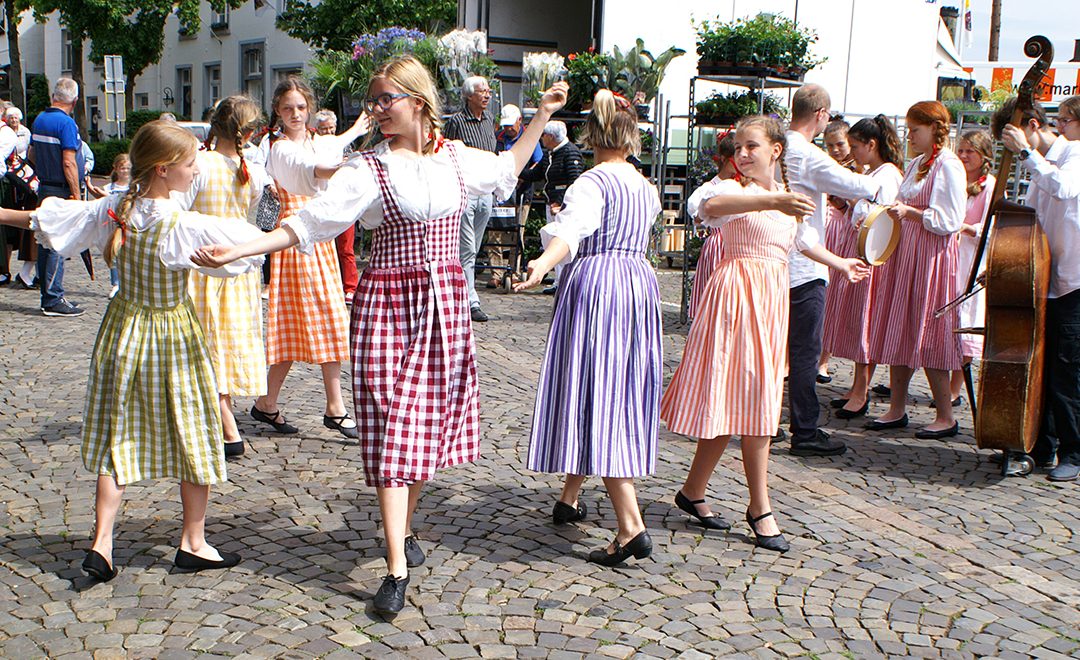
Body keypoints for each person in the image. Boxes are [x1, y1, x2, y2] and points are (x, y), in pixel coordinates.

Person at [192, 57, 568, 613]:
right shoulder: (368, 168)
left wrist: (541, 115)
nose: (375, 109)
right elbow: (311, 221)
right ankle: (395, 567)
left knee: (421, 434)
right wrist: (246, 247)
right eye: (372, 100)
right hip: (388, 307)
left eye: (384, 98)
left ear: (417, 100)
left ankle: (402, 527)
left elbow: (509, 165)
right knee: (394, 428)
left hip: (443, 311)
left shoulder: (458, 160)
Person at [0, 120, 266, 580]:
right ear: (163, 170)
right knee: (196, 427)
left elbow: (49, 218)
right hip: (172, 333)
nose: (194, 169)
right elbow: (248, 244)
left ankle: (102, 544)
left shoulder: (114, 209)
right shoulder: (182, 225)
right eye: (188, 164)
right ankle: (194, 542)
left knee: (115, 427)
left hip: (122, 330)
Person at [660, 115, 870, 553]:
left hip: (770, 299)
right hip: (734, 297)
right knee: (748, 399)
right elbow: (708, 210)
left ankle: (693, 490)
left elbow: (802, 241)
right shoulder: (734, 192)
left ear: (776, 150)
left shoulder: (789, 199)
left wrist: (840, 264)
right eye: (738, 147)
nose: (741, 154)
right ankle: (760, 507)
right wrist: (770, 201)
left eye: (751, 146)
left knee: (749, 398)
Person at [515, 89, 661, 566]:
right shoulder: (645, 187)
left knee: (598, 392)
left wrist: (540, 263)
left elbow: (570, 232)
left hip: (598, 286)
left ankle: (630, 525)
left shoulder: (591, 183)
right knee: (609, 385)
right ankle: (570, 496)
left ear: (592, 134)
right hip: (638, 286)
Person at [256, 77, 357, 441]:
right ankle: (334, 407)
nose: (295, 114)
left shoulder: (316, 141)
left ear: (309, 108)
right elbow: (309, 171)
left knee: (315, 320)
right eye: (288, 108)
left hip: (319, 236)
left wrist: (358, 133)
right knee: (316, 318)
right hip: (295, 236)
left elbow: (332, 146)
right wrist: (344, 169)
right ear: (278, 112)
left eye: (300, 107)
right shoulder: (280, 148)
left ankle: (272, 402)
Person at [782, 84, 880, 456]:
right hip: (806, 264)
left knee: (775, 349)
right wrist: (886, 173)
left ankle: (759, 421)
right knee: (806, 353)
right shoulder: (807, 153)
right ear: (821, 114)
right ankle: (804, 430)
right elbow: (857, 184)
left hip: (775, 258)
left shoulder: (776, 147)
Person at [175, 95, 270, 459]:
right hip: (239, 267)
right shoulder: (252, 170)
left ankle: (225, 422)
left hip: (204, 266)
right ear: (247, 131)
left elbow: (181, 211)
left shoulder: (200, 164)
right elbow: (251, 215)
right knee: (225, 342)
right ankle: (218, 413)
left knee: (204, 341)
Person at [864, 101, 966, 438]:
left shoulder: (948, 165)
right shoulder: (919, 163)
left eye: (916, 130)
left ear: (933, 129)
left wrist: (912, 213)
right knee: (902, 326)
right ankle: (896, 407)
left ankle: (945, 415)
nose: (910, 136)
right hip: (908, 254)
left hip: (931, 259)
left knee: (930, 330)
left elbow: (949, 220)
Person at [995, 97, 1080, 481]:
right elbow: (1032, 219)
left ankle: (1074, 453)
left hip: (1073, 282)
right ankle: (1040, 447)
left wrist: (1027, 153)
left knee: (1067, 371)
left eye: (1065, 120)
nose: (1061, 126)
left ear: (1030, 125)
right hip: (1045, 278)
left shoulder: (1074, 154)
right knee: (1042, 369)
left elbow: (1063, 188)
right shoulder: (1042, 164)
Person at [821, 116, 904, 419]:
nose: (852, 153)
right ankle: (857, 386)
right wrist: (846, 205)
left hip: (873, 257)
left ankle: (861, 390)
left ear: (872, 145)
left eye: (855, 146)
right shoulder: (874, 172)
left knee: (865, 322)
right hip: (861, 252)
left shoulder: (888, 175)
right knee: (857, 321)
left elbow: (882, 218)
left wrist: (856, 203)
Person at [28, 77, 85, 317]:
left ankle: (48, 293)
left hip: (45, 187)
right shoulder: (66, 124)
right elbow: (69, 162)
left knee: (44, 240)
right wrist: (76, 194)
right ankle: (53, 299)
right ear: (74, 100)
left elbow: (31, 154)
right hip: (60, 190)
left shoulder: (40, 119)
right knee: (56, 243)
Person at [443, 75, 497, 322]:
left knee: (472, 248)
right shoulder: (456, 121)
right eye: (481, 91)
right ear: (468, 95)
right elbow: (446, 152)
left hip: (485, 192)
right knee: (467, 248)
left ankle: (458, 290)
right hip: (464, 190)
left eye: (488, 91)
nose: (486, 95)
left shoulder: (489, 120)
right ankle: (470, 301)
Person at [948, 130, 995, 402]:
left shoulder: (989, 185)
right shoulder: (956, 180)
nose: (964, 156)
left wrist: (966, 228)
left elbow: (991, 226)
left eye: (970, 151)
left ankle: (956, 387)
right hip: (952, 254)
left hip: (971, 257)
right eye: (961, 151)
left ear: (983, 155)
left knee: (965, 320)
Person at [312, 109, 371, 304]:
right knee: (320, 247)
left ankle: (350, 287)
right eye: (324, 129)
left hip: (343, 201)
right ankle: (326, 286)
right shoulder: (313, 147)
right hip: (321, 200)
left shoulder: (345, 144)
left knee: (346, 247)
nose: (328, 133)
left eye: (331, 129)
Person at [519, 121, 585, 294]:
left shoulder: (570, 153)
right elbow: (536, 174)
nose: (541, 139)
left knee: (562, 242)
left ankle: (564, 282)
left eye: (543, 135)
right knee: (552, 242)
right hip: (552, 203)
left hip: (562, 206)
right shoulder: (551, 154)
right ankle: (558, 280)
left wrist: (564, 203)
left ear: (550, 136)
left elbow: (575, 181)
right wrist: (515, 170)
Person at [817, 116, 856, 384]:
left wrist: (843, 204)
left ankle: (824, 359)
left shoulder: (856, 171)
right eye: (829, 146)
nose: (835, 151)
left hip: (842, 233)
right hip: (825, 231)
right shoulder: (826, 167)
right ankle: (818, 358)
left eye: (839, 144)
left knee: (833, 299)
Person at [688, 132, 737, 322]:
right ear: (724, 159)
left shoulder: (746, 186)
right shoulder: (710, 188)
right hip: (719, 245)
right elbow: (697, 218)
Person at [104, 153, 132, 298]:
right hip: (113, 224)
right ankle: (116, 283)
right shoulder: (109, 187)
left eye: (128, 168)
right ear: (116, 169)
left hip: (128, 225)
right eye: (122, 168)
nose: (125, 171)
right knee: (114, 252)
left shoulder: (134, 186)